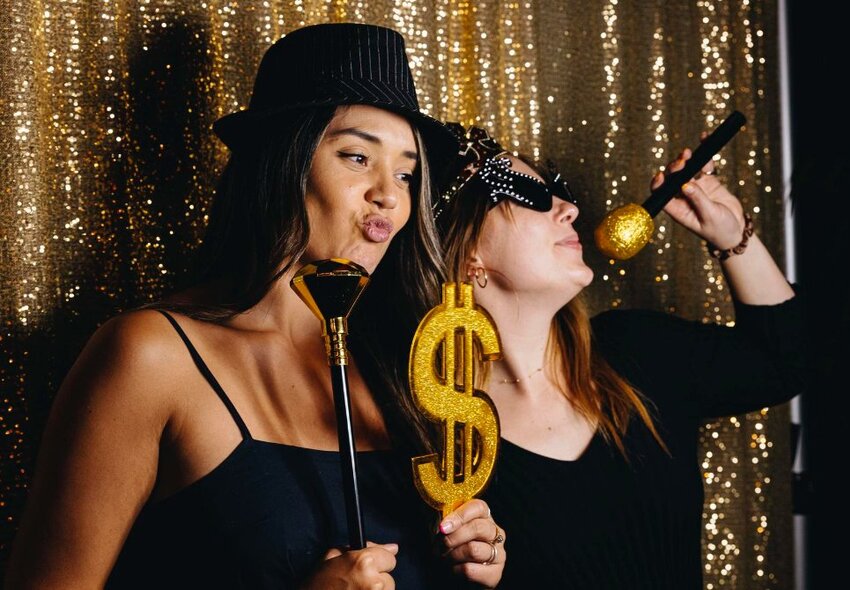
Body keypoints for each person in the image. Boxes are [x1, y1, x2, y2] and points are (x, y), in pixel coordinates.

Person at [4, 25, 506, 589]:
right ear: (283, 160)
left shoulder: (402, 358)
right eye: (357, 157)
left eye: (407, 173)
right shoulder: (151, 355)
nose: (388, 193)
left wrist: (467, 559)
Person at [433, 123, 806, 589]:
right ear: (469, 254)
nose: (570, 209)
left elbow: (785, 361)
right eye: (530, 193)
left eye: (560, 192)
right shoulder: (444, 443)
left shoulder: (637, 350)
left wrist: (732, 237)